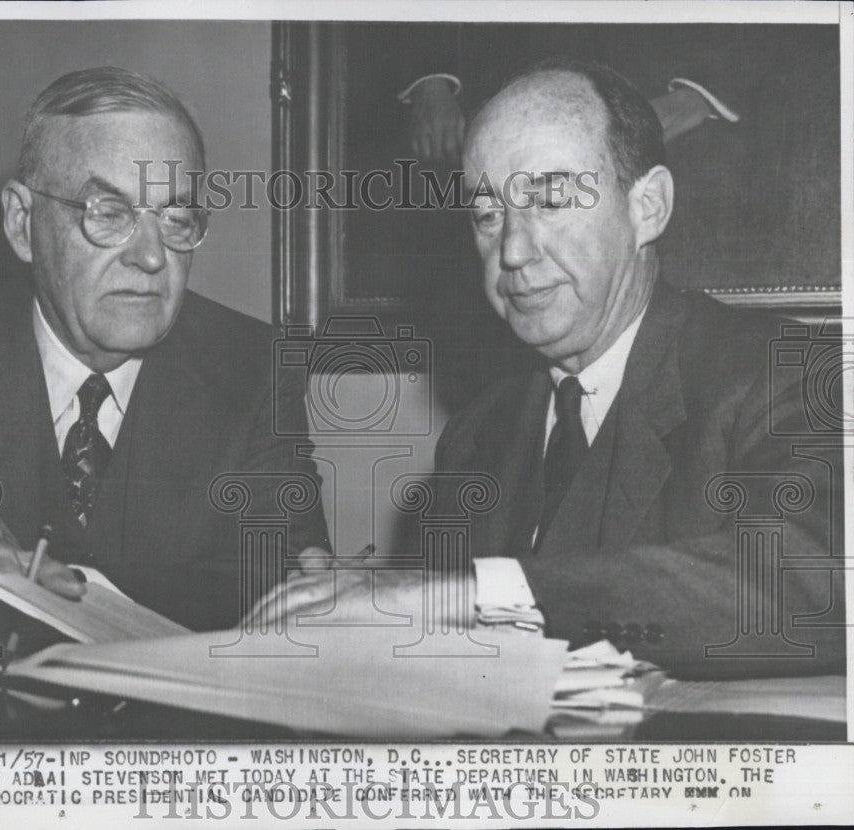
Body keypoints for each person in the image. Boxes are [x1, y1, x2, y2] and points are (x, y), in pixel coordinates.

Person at [266, 58, 844, 679]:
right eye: (488, 215)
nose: (512, 251)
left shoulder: (788, 372)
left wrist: (458, 597)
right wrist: (376, 602)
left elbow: (817, 584)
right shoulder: (479, 433)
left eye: (550, 199)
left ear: (647, 207)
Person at [0, 67, 329, 652]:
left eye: (176, 219)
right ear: (21, 223)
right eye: (109, 212)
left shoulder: (254, 371)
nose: (151, 257)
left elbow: (296, 602)